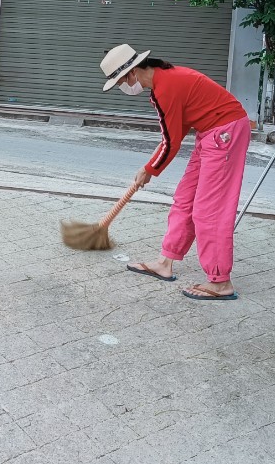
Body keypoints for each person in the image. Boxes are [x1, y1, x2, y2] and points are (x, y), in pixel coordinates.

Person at [99, 43, 251, 301]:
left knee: (208, 210)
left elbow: (172, 143)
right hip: (209, 135)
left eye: (120, 82)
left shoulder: (166, 88)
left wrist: (150, 170)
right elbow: (171, 136)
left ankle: (220, 282)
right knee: (185, 199)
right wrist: (149, 167)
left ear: (132, 73)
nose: (123, 88)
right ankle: (165, 262)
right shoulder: (163, 83)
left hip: (225, 133)